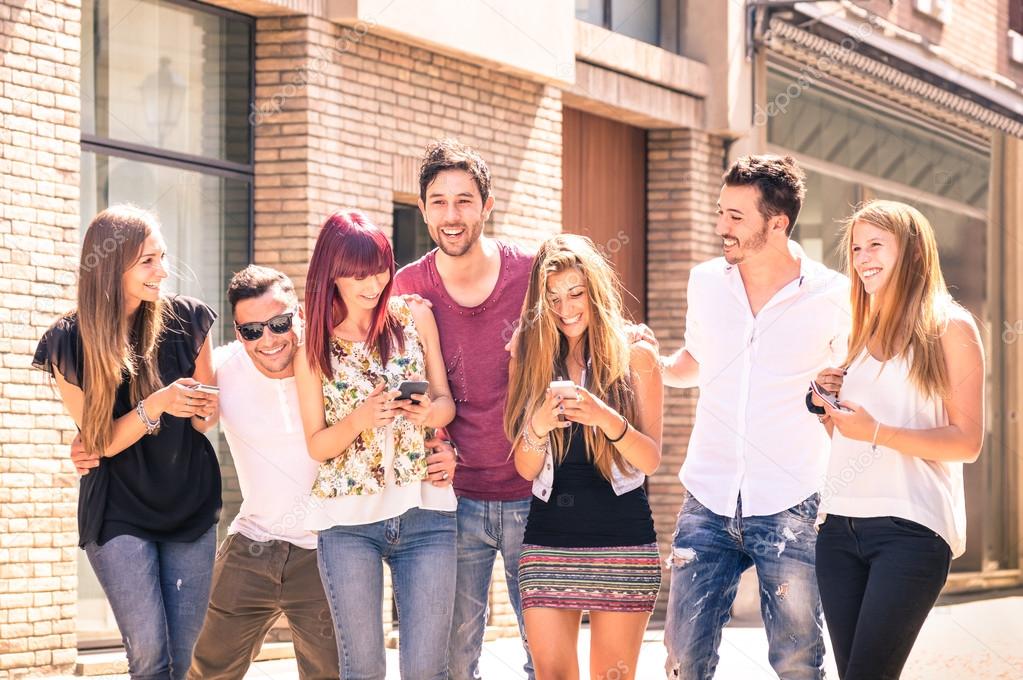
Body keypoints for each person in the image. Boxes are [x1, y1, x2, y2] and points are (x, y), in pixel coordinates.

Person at [659, 155, 850, 679]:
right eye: (722, 211)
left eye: (737, 216)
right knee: (682, 658)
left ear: (778, 222)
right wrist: (645, 363)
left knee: (796, 660)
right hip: (707, 497)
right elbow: (694, 363)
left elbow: (850, 384)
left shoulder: (833, 295)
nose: (722, 226)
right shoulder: (706, 281)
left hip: (791, 501)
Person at [34, 205, 221, 680]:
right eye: (147, 262)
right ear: (110, 267)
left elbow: (204, 423)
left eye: (162, 257)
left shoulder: (190, 320)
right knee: (150, 658)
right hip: (118, 511)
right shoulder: (67, 341)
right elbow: (100, 442)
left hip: (190, 503)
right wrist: (155, 405)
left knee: (181, 664)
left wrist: (205, 410)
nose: (162, 271)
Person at [811, 200, 984, 679]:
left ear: (910, 252)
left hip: (911, 529)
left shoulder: (950, 326)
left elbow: (967, 441)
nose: (863, 257)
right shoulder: (855, 332)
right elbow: (848, 436)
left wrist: (878, 433)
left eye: (876, 246)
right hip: (839, 526)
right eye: (856, 247)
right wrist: (826, 405)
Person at [392, 139, 536, 679]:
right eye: (439, 202)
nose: (451, 216)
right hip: (451, 504)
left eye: (464, 200)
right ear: (423, 208)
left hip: (534, 491)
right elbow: (407, 392)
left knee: (546, 658)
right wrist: (439, 444)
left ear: (487, 205)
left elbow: (577, 343)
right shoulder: (408, 288)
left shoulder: (531, 272)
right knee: (452, 663)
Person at [295, 210, 458, 679]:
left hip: (425, 512)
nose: (372, 284)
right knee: (363, 669)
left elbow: (446, 402)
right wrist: (362, 418)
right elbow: (317, 445)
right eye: (358, 275)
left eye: (380, 270)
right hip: (347, 524)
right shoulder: (314, 343)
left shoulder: (414, 316)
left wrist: (430, 413)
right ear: (332, 274)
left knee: (427, 670)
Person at [506, 234, 663, 680]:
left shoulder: (636, 356)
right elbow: (525, 467)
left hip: (623, 541)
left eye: (575, 293)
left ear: (595, 291)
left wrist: (604, 417)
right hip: (548, 540)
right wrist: (536, 426)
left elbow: (650, 460)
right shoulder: (529, 357)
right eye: (552, 298)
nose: (565, 308)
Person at [185, 265, 340, 680]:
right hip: (251, 546)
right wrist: (90, 437)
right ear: (238, 333)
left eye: (278, 324)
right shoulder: (221, 369)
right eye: (252, 330)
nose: (267, 339)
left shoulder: (335, 364)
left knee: (335, 674)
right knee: (202, 670)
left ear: (300, 316)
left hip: (327, 553)